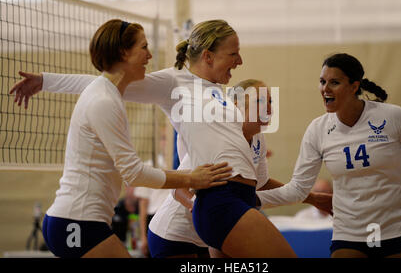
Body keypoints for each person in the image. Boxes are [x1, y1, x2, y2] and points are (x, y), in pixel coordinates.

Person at [10, 19, 329, 257]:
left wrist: (307, 195)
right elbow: (103, 83)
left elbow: (252, 177)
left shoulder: (222, 96)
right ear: (207, 56)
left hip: (233, 200)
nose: (240, 61)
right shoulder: (173, 83)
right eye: (234, 53)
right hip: (209, 206)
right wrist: (46, 81)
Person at [12, 19, 233, 258]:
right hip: (75, 222)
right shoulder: (104, 100)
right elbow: (134, 173)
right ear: (123, 52)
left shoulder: (107, 93)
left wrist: (45, 81)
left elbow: (93, 80)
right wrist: (191, 177)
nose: (149, 55)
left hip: (76, 221)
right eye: (143, 47)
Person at [256, 53, 401, 258]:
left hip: (398, 228)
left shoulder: (392, 116)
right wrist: (246, 200)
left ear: (354, 86)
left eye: (334, 82)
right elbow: (297, 190)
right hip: (350, 232)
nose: (325, 89)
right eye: (322, 82)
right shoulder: (317, 130)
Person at [148, 79, 288, 258]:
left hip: (209, 235)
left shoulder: (258, 138)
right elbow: (178, 187)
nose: (269, 108)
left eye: (270, 101)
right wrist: (200, 208)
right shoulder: (216, 135)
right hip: (174, 235)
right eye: (260, 101)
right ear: (237, 105)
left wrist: (305, 195)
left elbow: (262, 183)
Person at [269, 178, 333, 231]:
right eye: (318, 192)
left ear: (332, 194)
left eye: (325, 192)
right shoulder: (302, 216)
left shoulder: (341, 216)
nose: (321, 196)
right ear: (312, 194)